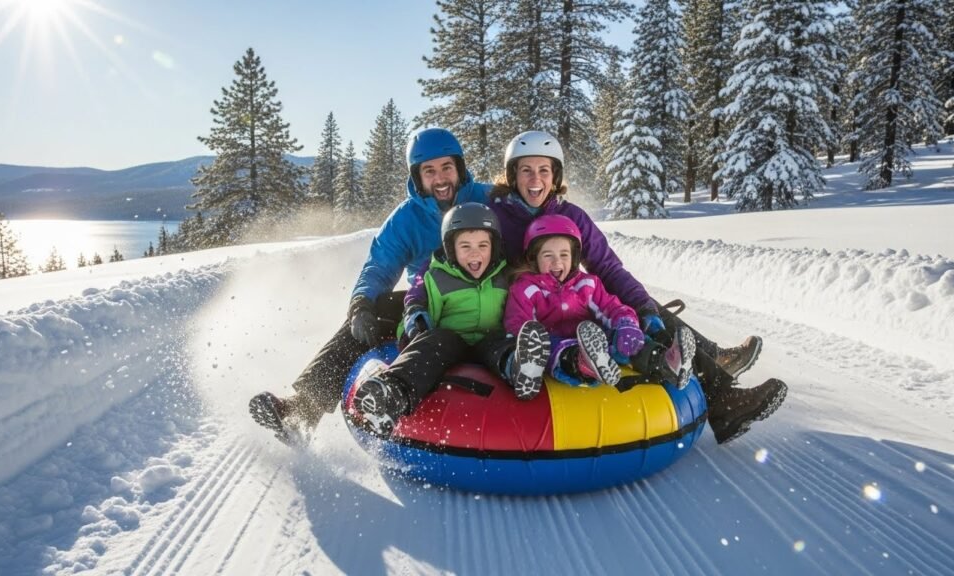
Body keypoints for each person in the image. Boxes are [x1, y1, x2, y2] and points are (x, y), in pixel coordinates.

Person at [489, 131, 786, 444]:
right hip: (524, 310)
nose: (535, 179)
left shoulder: (570, 215)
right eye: (526, 170)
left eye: (544, 170)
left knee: (642, 310)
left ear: (556, 175)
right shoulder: (496, 216)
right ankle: (712, 360)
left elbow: (606, 267)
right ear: (512, 175)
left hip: (573, 304)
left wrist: (643, 308)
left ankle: (722, 395)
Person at [249, 128, 493, 445]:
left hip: (491, 300)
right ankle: (301, 411)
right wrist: (361, 304)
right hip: (429, 303)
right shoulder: (407, 218)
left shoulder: (489, 200)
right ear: (418, 178)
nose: (440, 178)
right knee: (370, 315)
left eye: (446, 167)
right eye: (429, 171)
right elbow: (380, 266)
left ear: (460, 168)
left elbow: (537, 225)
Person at [351, 203, 551, 436]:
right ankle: (393, 392)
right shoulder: (436, 275)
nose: (475, 253)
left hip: (489, 339)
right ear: (450, 248)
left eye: (483, 246)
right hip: (449, 341)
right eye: (465, 246)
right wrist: (416, 318)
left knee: (501, 342)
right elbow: (415, 298)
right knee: (438, 341)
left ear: (495, 247)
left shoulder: (507, 274)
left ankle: (518, 368)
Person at [504, 214, 696, 390]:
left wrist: (626, 324)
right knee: (558, 352)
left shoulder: (587, 284)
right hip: (556, 344)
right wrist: (537, 344)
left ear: (574, 258)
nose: (557, 262)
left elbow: (611, 307)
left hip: (597, 343)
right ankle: (583, 364)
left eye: (564, 255)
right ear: (534, 258)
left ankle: (665, 361)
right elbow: (518, 324)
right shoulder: (526, 289)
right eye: (548, 256)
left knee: (627, 341)